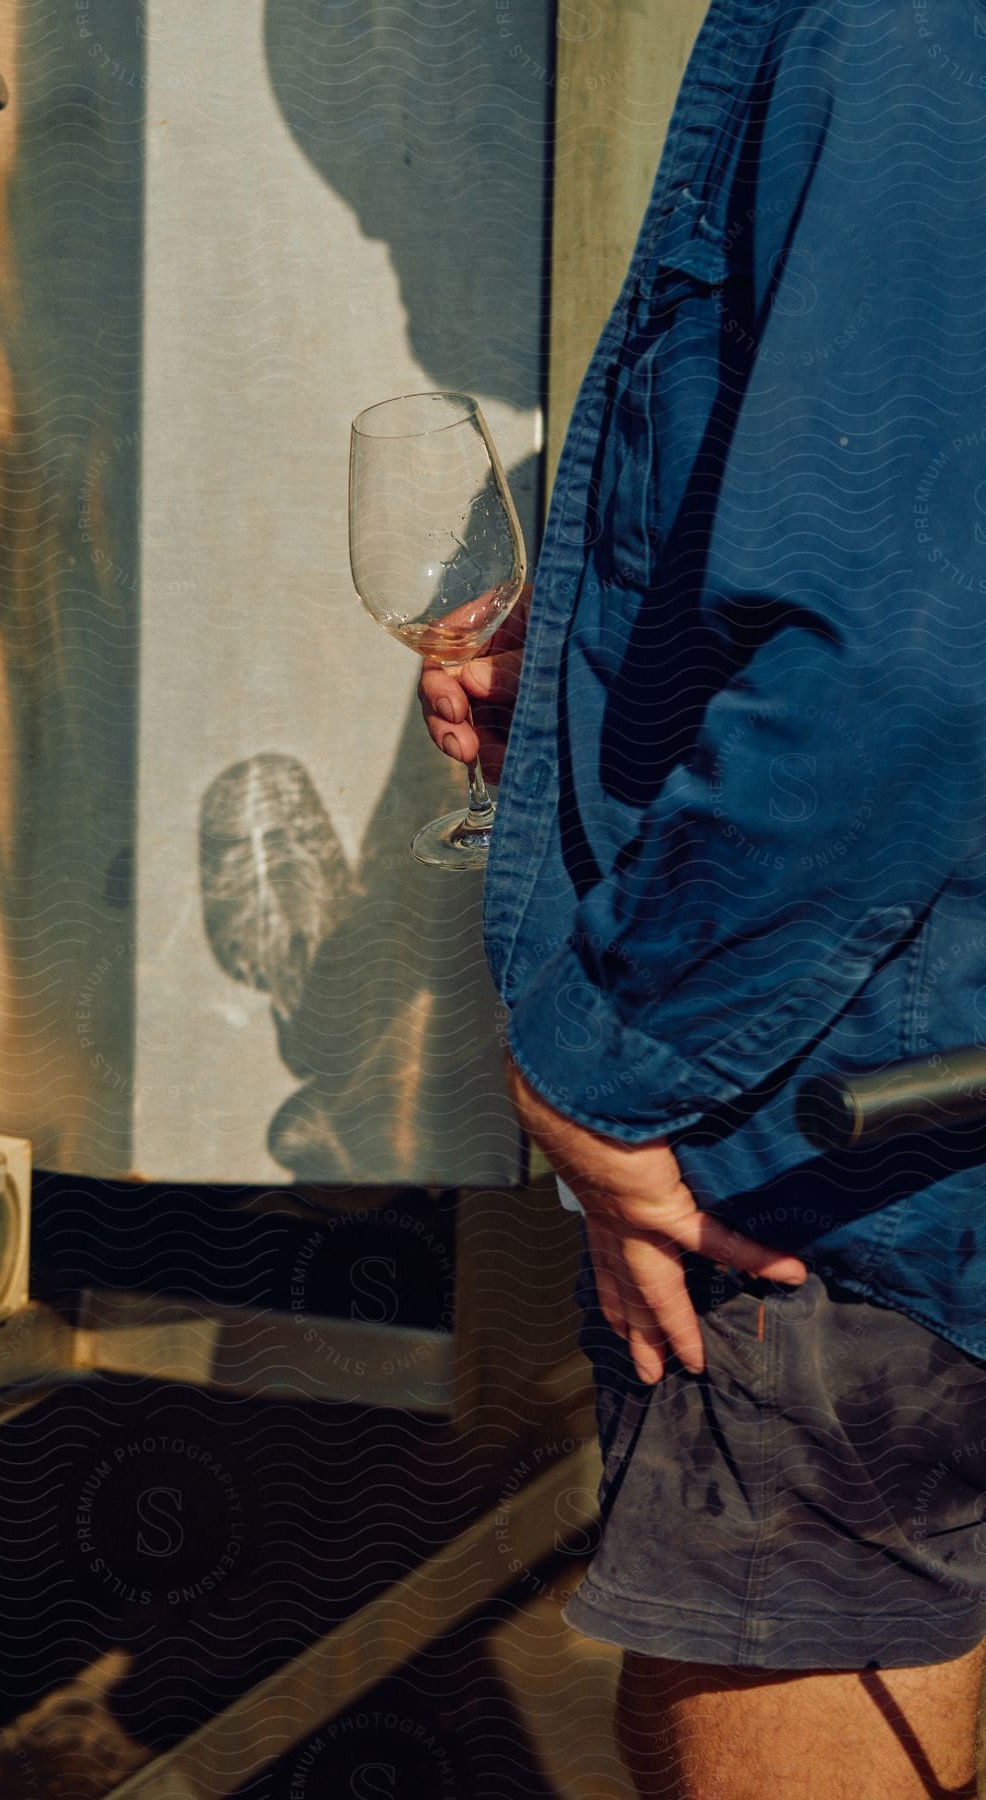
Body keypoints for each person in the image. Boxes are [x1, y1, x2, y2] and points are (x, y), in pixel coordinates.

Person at [420, 3, 986, 1795]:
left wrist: (612, 1057)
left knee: (834, 1619)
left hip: (847, 1121)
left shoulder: (897, 25)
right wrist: (616, 664)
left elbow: (896, 667)